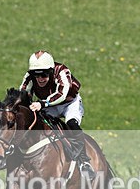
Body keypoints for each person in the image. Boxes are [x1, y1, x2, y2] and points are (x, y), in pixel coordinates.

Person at [19, 50, 95, 179]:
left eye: (44, 74)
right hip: (49, 105)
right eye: (36, 75)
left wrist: (42, 103)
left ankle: (84, 161)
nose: (40, 79)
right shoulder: (29, 77)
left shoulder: (62, 71)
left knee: (71, 124)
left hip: (69, 103)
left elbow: (62, 94)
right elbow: (22, 93)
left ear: (51, 71)